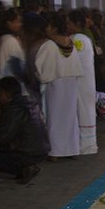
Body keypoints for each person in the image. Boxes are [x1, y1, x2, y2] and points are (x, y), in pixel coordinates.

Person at [0, 76, 48, 184]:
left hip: (28, 152)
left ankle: (24, 168)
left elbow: (3, 137)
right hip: (42, 148)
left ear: (6, 93)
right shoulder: (28, 102)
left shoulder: (14, 109)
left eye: (0, 93)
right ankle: (26, 168)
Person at [36, 13, 82, 160]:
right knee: (70, 117)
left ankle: (55, 151)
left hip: (54, 83)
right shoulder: (70, 43)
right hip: (71, 82)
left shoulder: (49, 45)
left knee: (54, 117)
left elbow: (40, 66)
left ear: (54, 27)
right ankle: (72, 149)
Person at [67, 10, 97, 155]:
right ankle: (88, 143)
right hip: (87, 80)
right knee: (86, 110)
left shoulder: (77, 39)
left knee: (82, 111)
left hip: (80, 81)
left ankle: (84, 145)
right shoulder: (84, 38)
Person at [0, 8, 25, 100]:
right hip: (8, 91)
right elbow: (18, 69)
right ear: (9, 23)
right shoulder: (11, 41)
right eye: (18, 21)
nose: (20, 24)